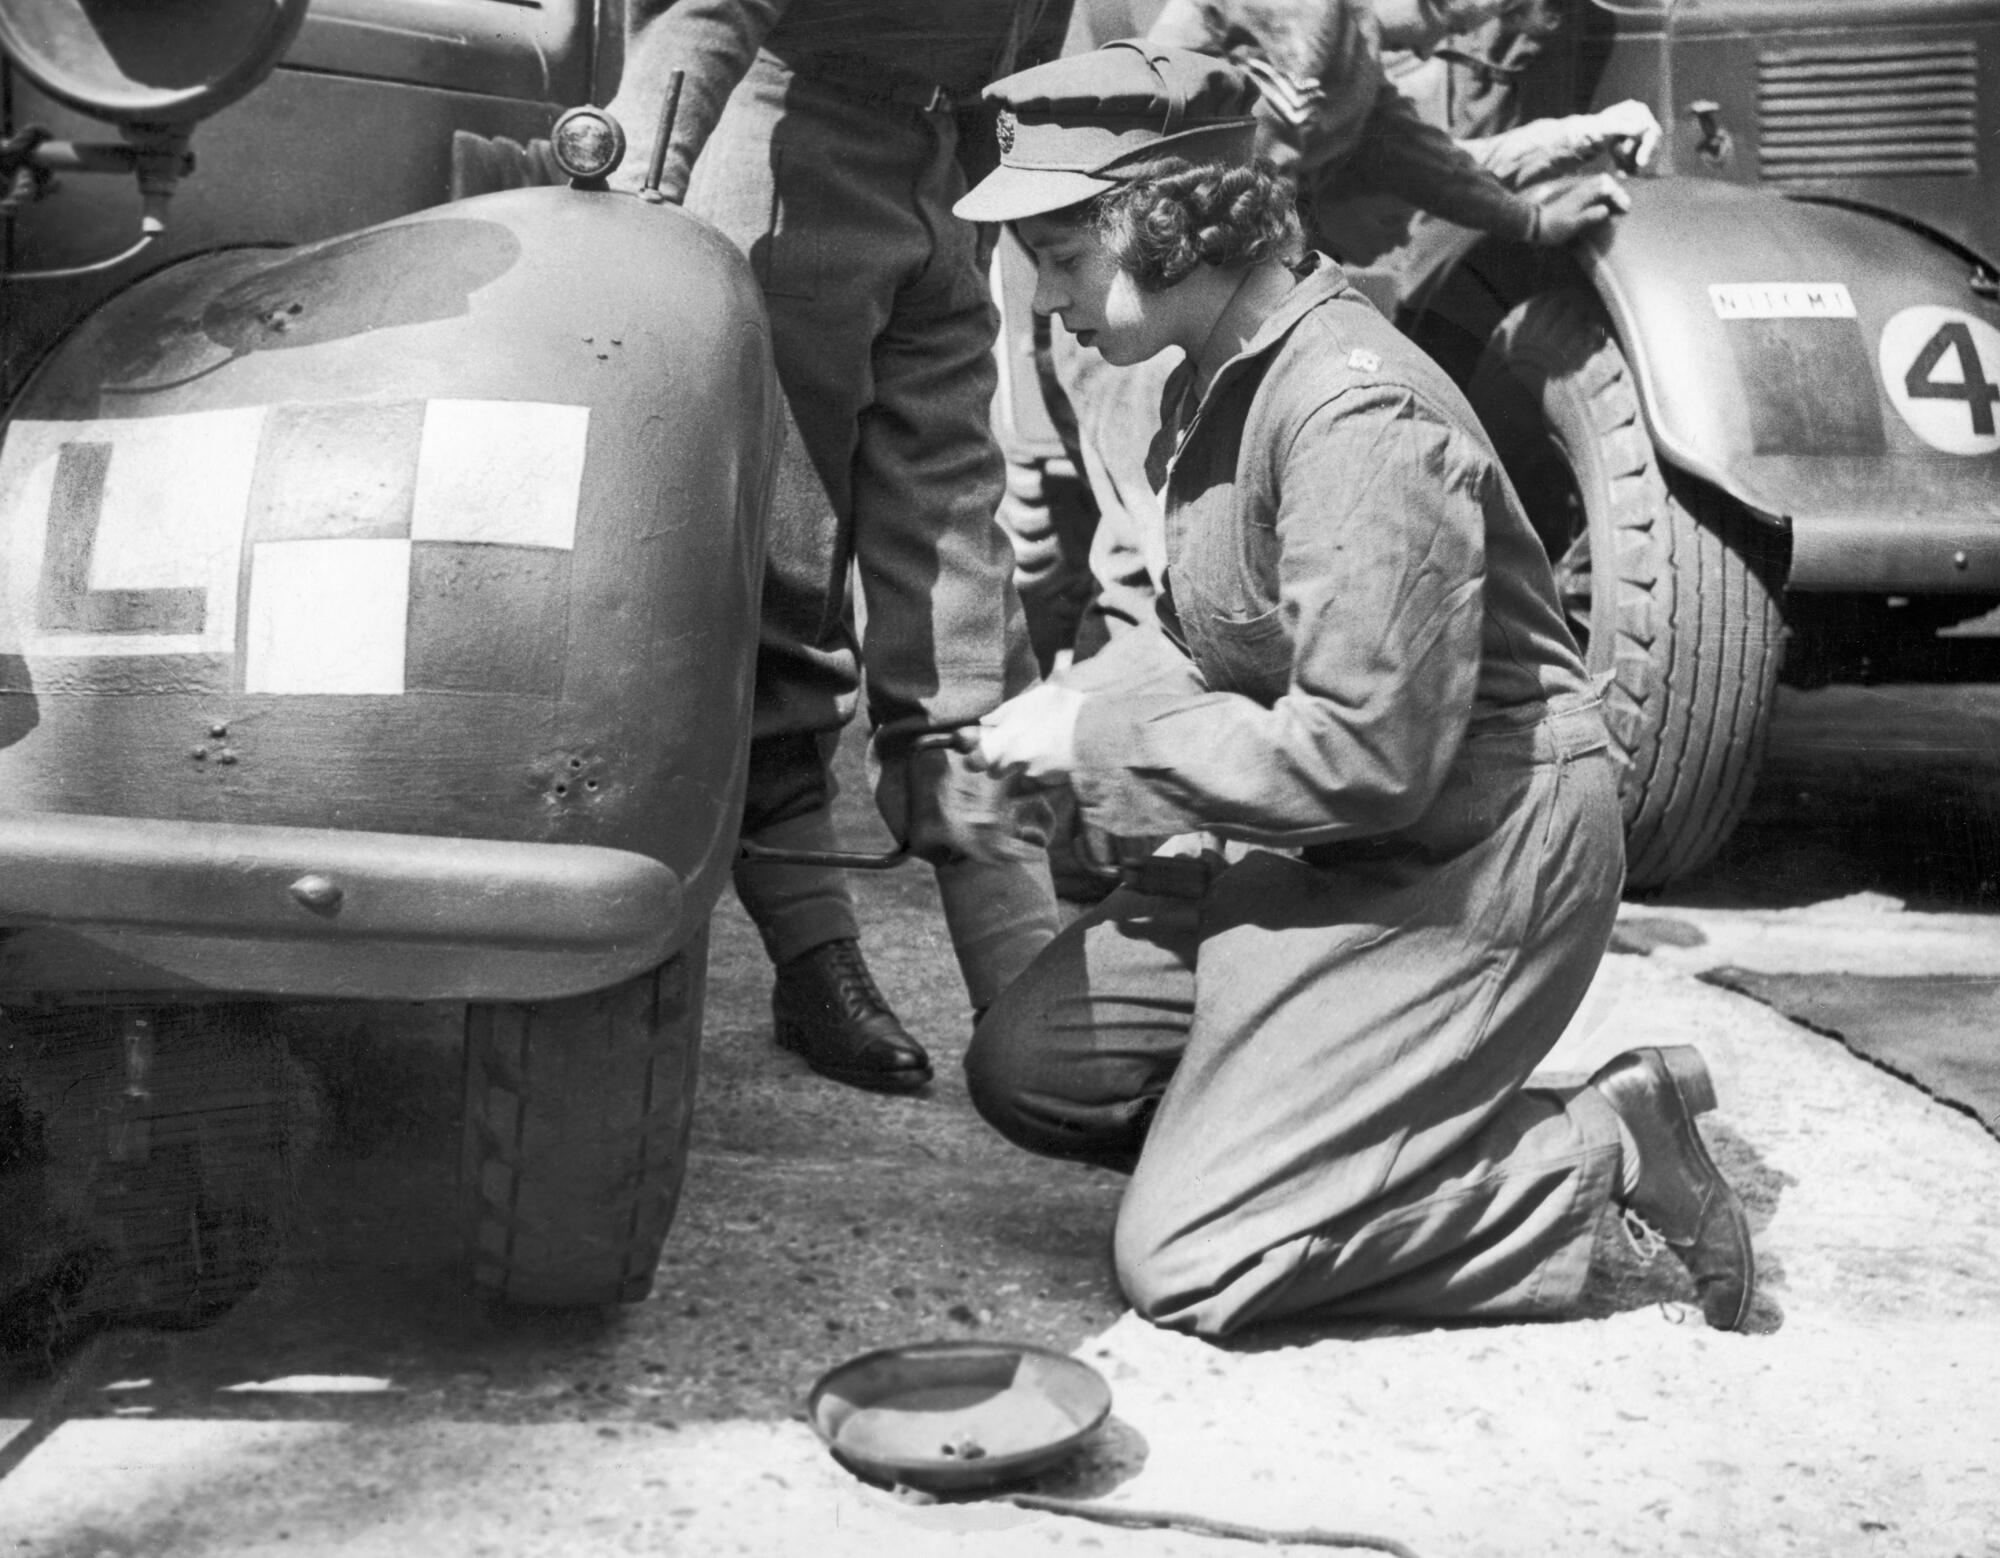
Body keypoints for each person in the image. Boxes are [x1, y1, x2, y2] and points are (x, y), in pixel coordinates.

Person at [954, 43, 1757, 1336]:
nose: (1043, 300)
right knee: (1037, 1064)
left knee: (1192, 1259)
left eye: (1060, 258)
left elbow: (1371, 756)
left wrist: (1108, 738)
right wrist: (1070, 715)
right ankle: (1318, 1125)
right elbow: (1213, 636)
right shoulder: (1220, 373)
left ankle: (1598, 1145)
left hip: (1471, 857)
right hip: (1334, 835)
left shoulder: (1348, 413)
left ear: (1159, 223)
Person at [605, 2, 1073, 1092]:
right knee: (784, 595)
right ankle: (815, 959)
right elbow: (707, 14)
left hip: (946, 188)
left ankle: (1033, 1004)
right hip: (787, 172)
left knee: (962, 598)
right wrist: (633, 208)